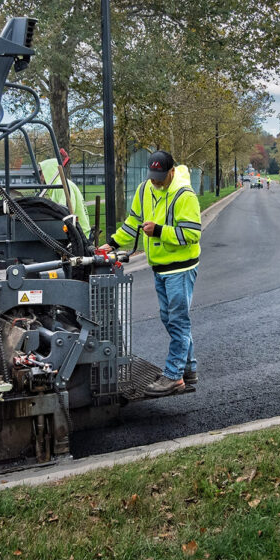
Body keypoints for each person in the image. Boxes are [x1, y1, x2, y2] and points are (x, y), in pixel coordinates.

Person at [101, 150, 202, 397]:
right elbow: (133, 223)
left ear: (171, 171)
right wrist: (112, 244)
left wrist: (158, 231)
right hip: (159, 266)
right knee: (170, 319)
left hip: (180, 268)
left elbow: (192, 234)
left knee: (178, 321)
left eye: (160, 176)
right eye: (152, 175)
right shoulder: (145, 189)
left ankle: (175, 375)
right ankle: (188, 369)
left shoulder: (184, 195)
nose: (155, 181)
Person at [38, 156, 91, 237]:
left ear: (48, 171)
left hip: (79, 236)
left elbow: (64, 213)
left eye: (41, 172)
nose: (40, 177)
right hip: (78, 233)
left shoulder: (60, 186)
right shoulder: (59, 185)